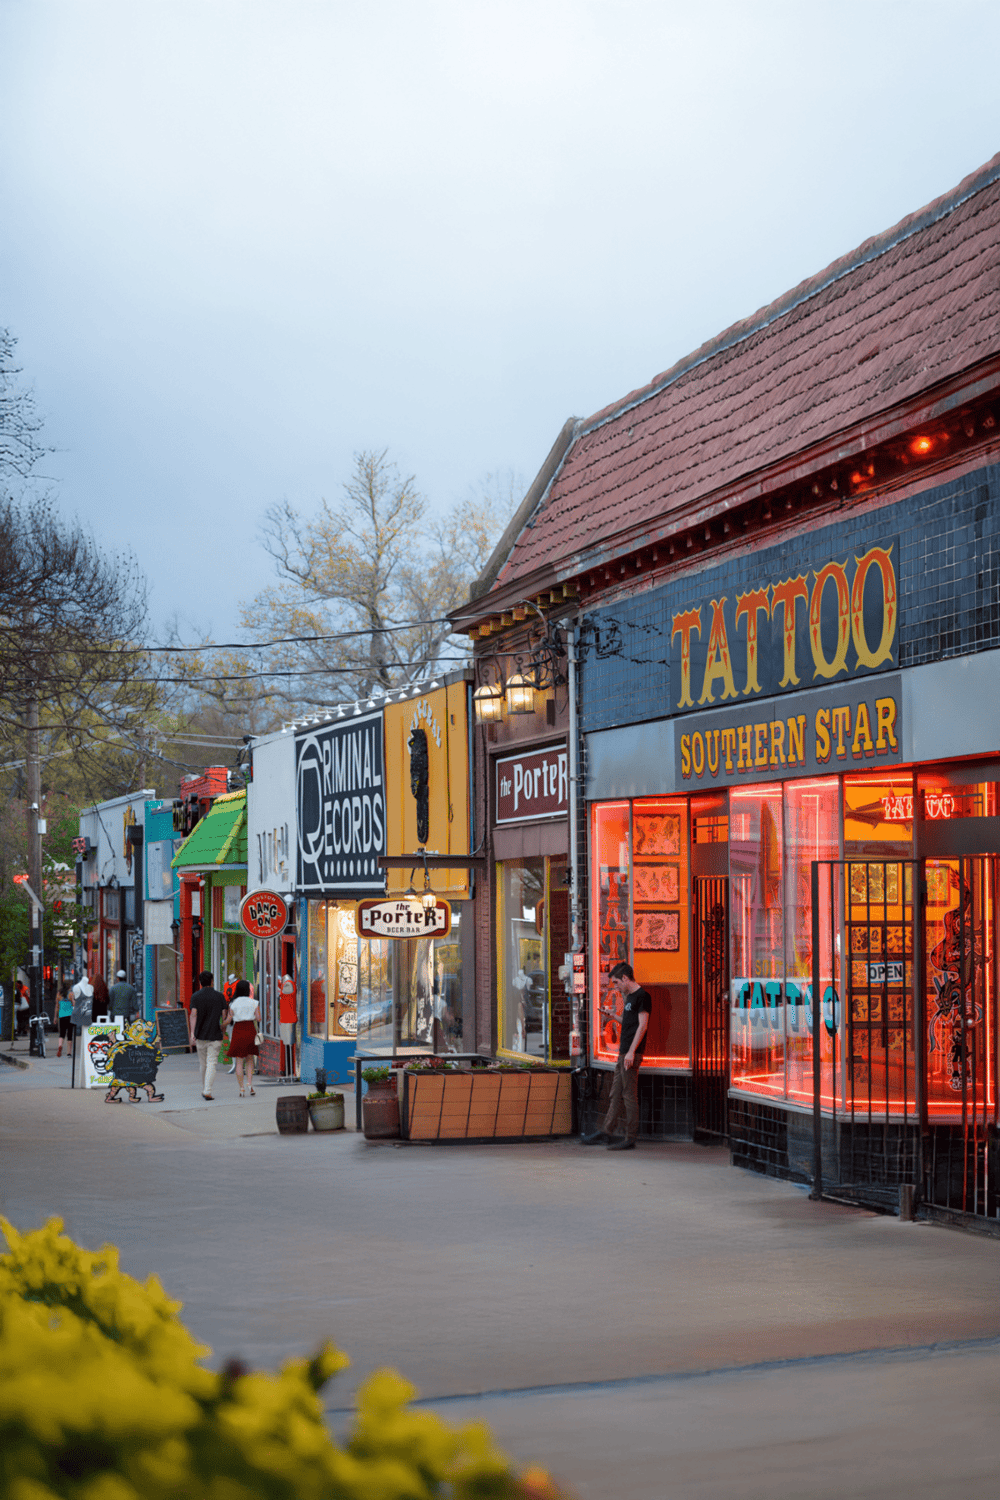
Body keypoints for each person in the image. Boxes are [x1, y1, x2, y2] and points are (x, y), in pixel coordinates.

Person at [581, 960, 652, 1151]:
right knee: (615, 1093)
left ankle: (630, 1137)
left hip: (630, 1053)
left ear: (626, 978)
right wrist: (613, 1016)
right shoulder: (629, 997)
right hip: (624, 1053)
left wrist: (631, 1052)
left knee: (629, 1096)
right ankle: (607, 1131)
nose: (616, 987)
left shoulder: (642, 996)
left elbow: (642, 1026)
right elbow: (629, 1024)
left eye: (616, 983)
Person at [187, 970, 228, 1101]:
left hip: (200, 1035)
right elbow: (224, 1015)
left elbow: (193, 1014)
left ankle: (205, 1088)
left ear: (200, 982)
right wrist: (223, 1027)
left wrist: (192, 1033)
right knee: (212, 1063)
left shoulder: (195, 996)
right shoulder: (219, 996)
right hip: (215, 1034)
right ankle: (207, 1090)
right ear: (212, 981)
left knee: (203, 1064)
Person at [227, 979, 260, 1098]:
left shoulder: (233, 1004)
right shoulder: (254, 1002)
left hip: (238, 1031)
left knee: (239, 1061)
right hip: (250, 1029)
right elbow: (258, 1018)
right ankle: (250, 1084)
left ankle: (241, 1088)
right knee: (250, 1059)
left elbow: (229, 1019)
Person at [55, 981, 74, 1057]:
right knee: (69, 1034)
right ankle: (69, 1053)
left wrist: (55, 1017)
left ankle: (60, 1045)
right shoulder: (71, 994)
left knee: (62, 1033)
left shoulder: (59, 994)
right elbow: (74, 1003)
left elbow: (57, 1006)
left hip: (61, 1015)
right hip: (70, 1016)